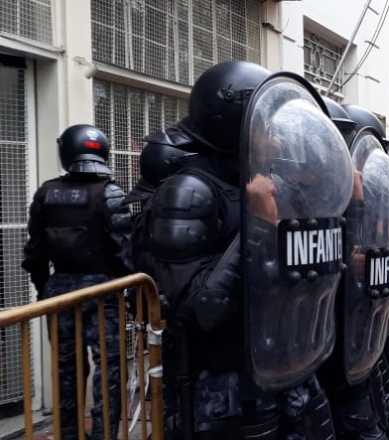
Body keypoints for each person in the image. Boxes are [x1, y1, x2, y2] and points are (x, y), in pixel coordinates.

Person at [134, 61, 336, 439]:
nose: (276, 139)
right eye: (266, 127)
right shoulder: (188, 192)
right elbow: (200, 310)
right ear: (233, 125)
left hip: (285, 369)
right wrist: (257, 227)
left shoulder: (264, 182)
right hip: (228, 389)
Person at [22, 124, 130, 440]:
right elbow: (125, 252)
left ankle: (67, 432)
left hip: (60, 292)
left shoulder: (46, 193)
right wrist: (133, 295)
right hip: (103, 291)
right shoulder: (110, 192)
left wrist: (46, 291)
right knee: (110, 369)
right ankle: (103, 434)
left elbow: (35, 253)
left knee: (65, 368)